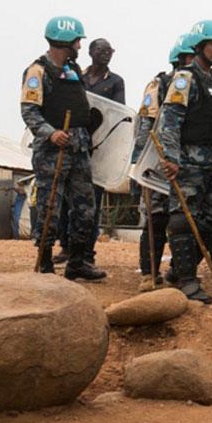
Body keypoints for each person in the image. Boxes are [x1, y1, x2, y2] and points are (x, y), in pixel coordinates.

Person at [21, 15, 106, 280]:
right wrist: (51, 133)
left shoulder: (73, 71)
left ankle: (77, 262)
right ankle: (45, 261)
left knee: (86, 208)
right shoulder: (37, 72)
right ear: (65, 41)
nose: (80, 46)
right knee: (50, 208)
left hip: (79, 149)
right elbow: (29, 111)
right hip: (52, 152)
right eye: (77, 41)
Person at [158, 19, 212, 304]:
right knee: (183, 219)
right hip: (189, 161)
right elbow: (170, 120)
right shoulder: (185, 78)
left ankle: (179, 269)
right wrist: (171, 158)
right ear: (199, 46)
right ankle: (187, 280)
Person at [130, 33, 194, 291]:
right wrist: (139, 166)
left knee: (185, 220)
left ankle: (178, 272)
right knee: (156, 218)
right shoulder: (160, 84)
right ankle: (149, 273)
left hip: (188, 165)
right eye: (189, 57)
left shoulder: (201, 83)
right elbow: (145, 126)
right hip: (158, 164)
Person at [80, 38, 126, 266]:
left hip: (100, 148)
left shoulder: (116, 81)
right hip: (75, 143)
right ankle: (68, 248)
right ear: (90, 52)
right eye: (101, 49)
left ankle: (87, 252)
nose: (106, 53)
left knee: (93, 202)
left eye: (110, 50)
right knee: (69, 200)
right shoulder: (77, 77)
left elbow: (117, 114)